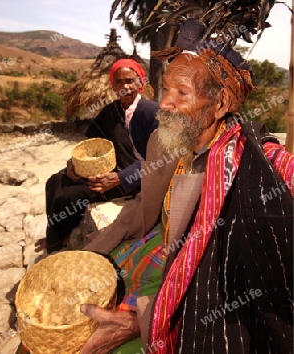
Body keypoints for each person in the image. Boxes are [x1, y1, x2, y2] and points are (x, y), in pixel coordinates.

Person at [79, 25, 293, 353]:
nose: (164, 103)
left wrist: (145, 321)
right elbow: (146, 202)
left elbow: (234, 286)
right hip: (158, 246)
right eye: (166, 89)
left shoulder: (254, 165)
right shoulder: (168, 141)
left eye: (182, 92)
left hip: (200, 289)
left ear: (220, 104)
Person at [37, 58, 159, 254]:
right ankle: (57, 236)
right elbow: (92, 144)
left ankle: (61, 240)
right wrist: (74, 164)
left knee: (69, 195)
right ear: (113, 86)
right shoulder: (111, 111)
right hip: (111, 170)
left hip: (136, 180)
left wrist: (120, 179)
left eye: (130, 80)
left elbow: (160, 160)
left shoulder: (151, 112)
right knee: (55, 181)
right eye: (119, 82)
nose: (125, 86)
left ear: (141, 82)